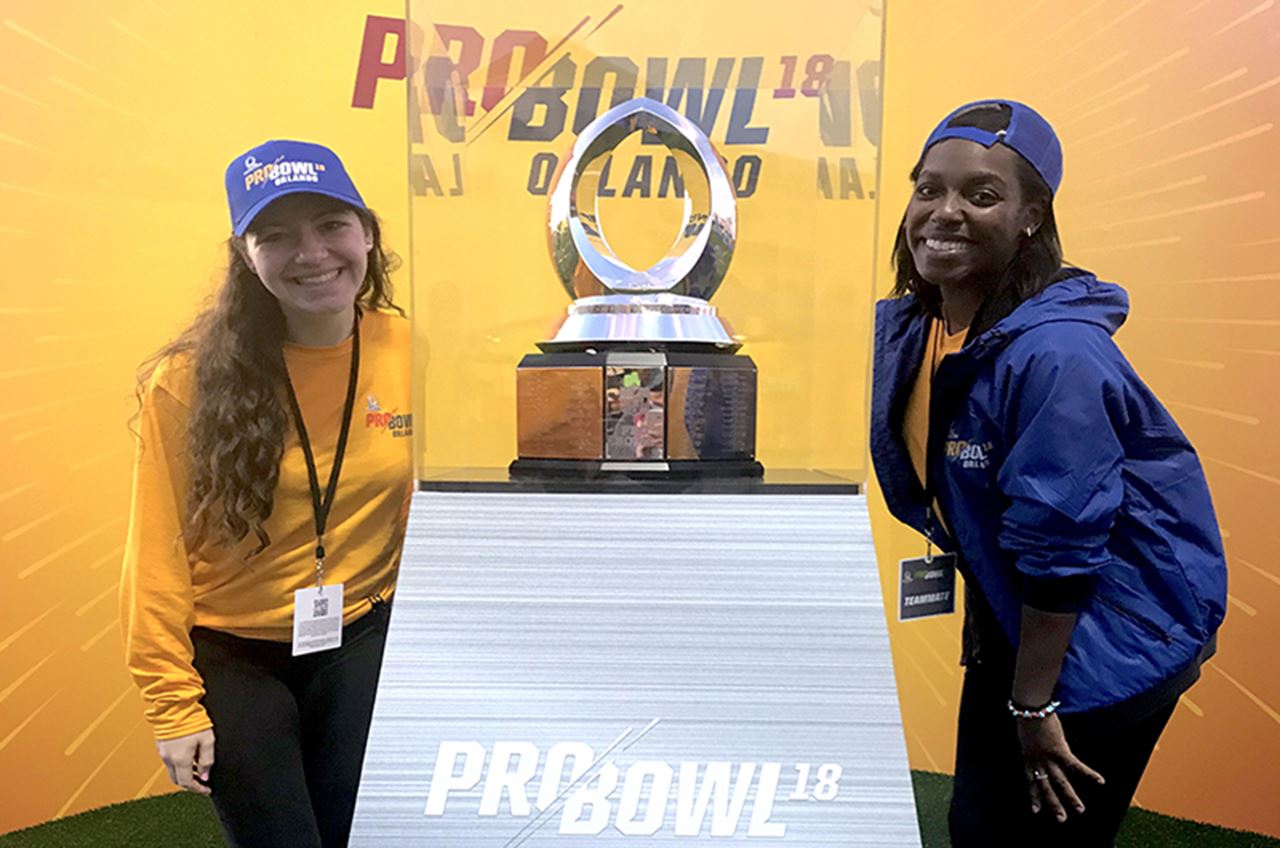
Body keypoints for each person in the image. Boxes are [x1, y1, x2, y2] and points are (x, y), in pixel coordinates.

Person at [869, 100, 1227, 846]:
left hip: (1109, 634)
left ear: (1031, 217)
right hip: (1021, 616)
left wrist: (1034, 705)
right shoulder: (930, 330)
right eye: (929, 188)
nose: (945, 211)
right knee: (977, 828)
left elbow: (1062, 542)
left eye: (981, 194)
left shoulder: (1056, 354)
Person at [121, 139, 412, 848]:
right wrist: (172, 705)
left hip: (360, 640)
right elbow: (156, 552)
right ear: (245, 257)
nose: (311, 253)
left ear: (367, 233)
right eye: (276, 235)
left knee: (366, 835)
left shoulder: (413, 351)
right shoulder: (186, 381)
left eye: (331, 225)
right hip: (234, 655)